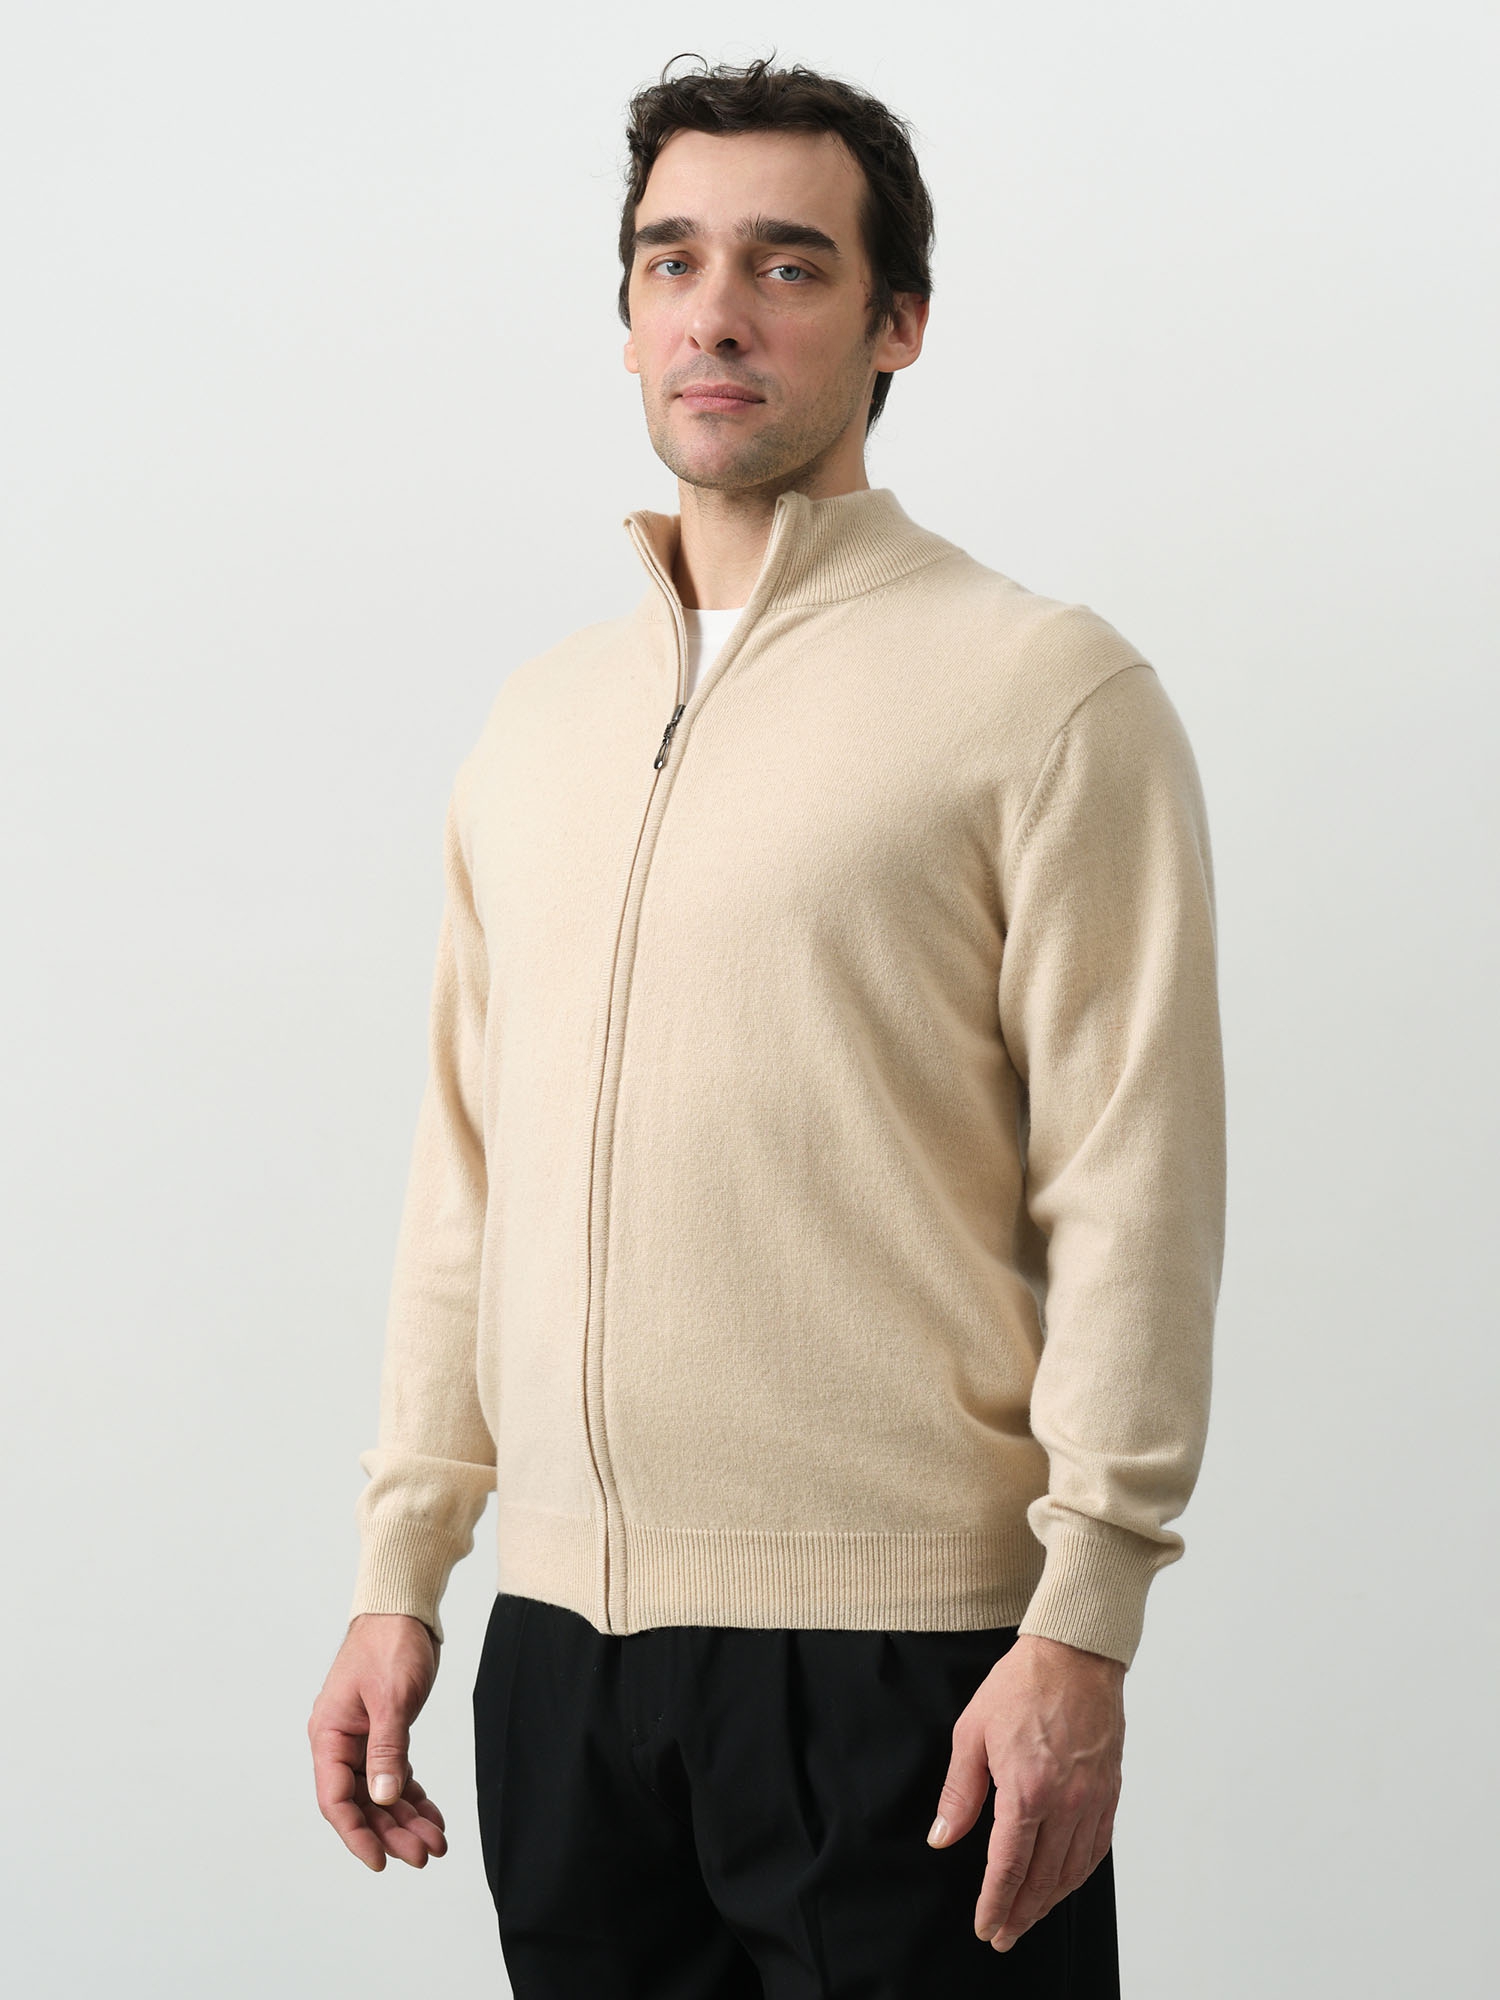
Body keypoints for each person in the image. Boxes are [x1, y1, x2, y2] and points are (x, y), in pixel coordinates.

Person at [308, 52, 1226, 1998]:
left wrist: (1083, 1622)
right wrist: (405, 1573)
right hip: (560, 1661)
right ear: (629, 310)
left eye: (788, 264)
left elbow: (1136, 1188)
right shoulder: (537, 724)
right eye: (674, 260)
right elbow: (463, 1183)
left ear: (899, 323)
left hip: (910, 1665)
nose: (716, 311)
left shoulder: (1044, 695)